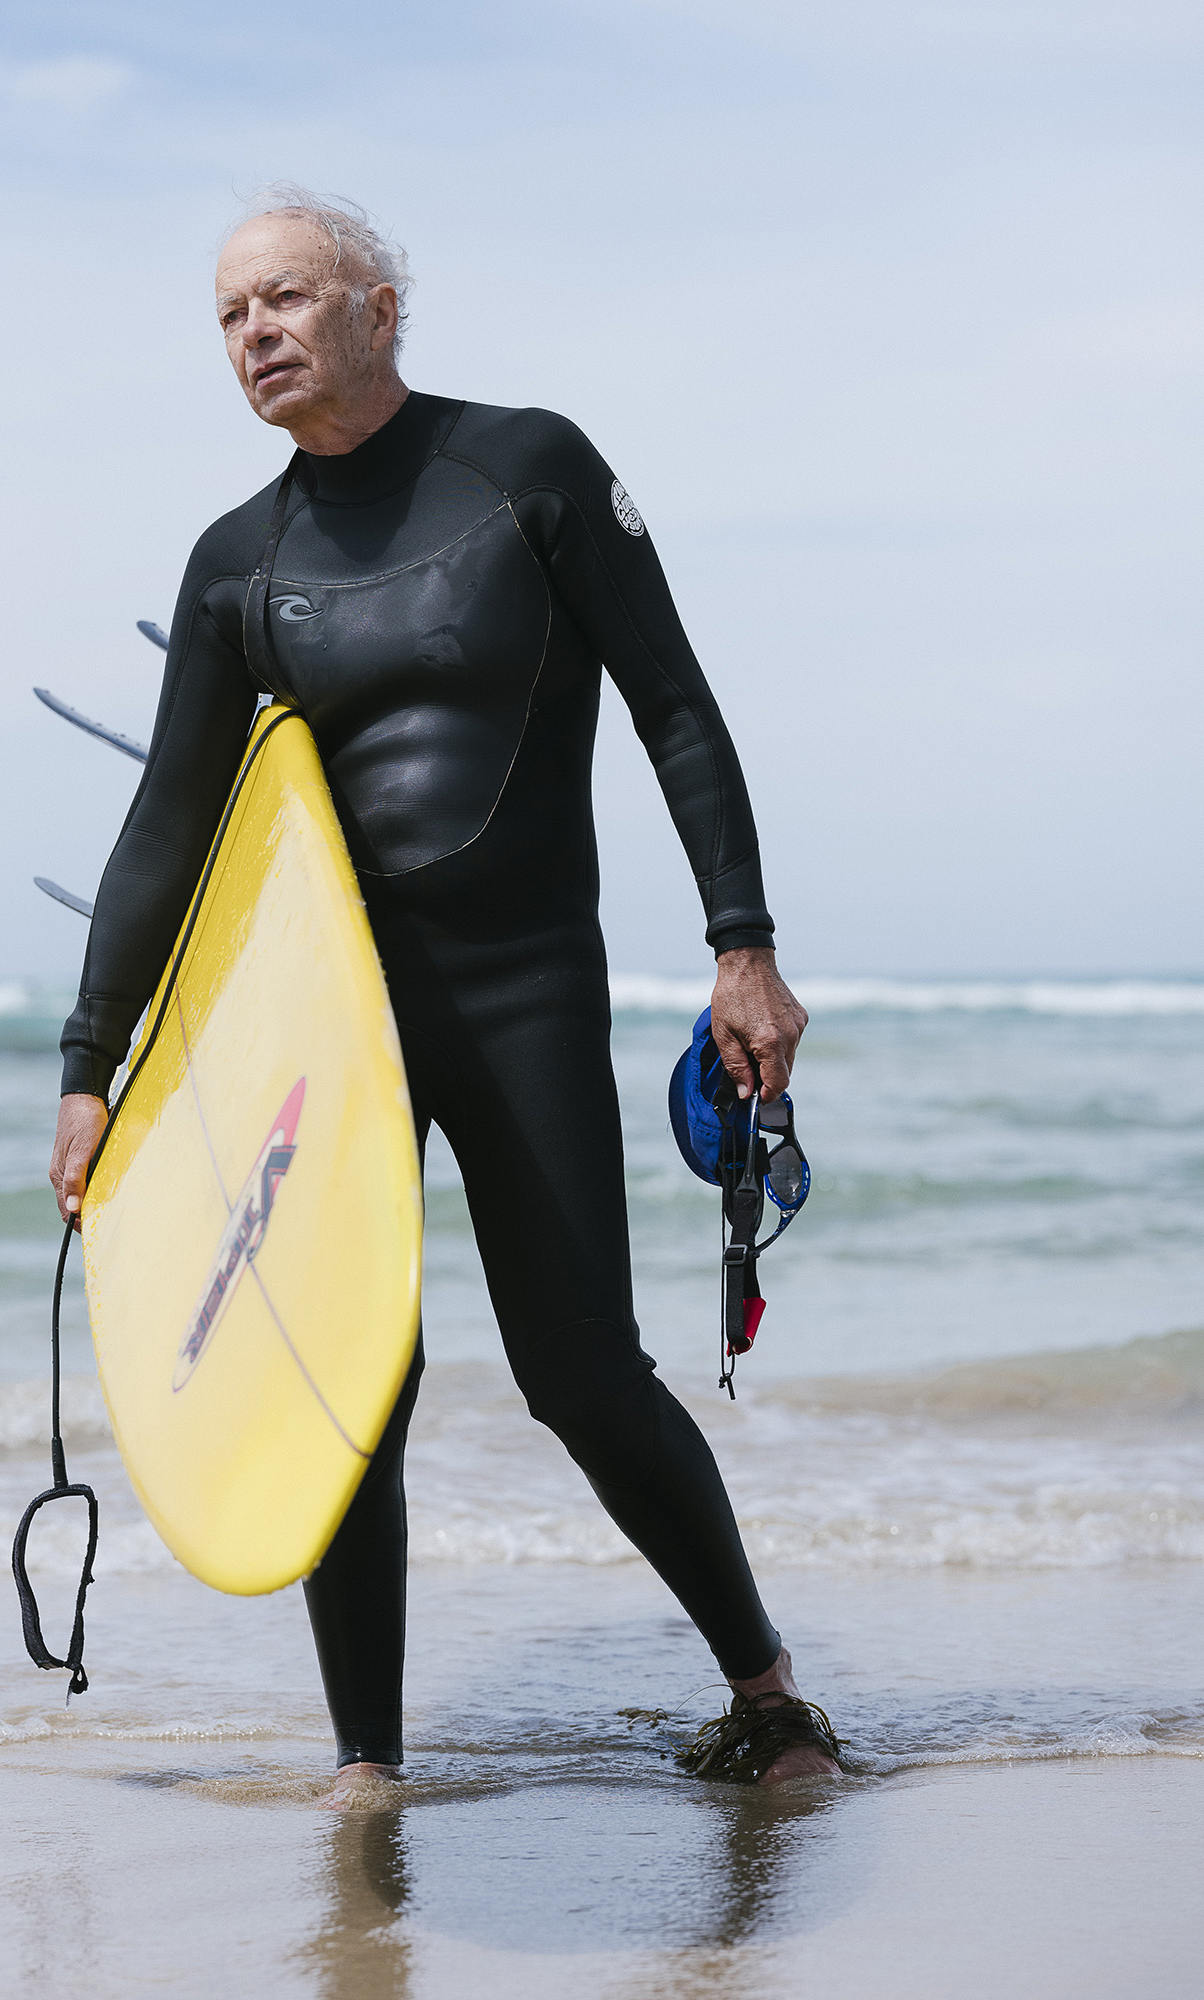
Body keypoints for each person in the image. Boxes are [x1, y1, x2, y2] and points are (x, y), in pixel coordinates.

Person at [49, 187, 841, 1799]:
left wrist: (740, 943)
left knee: (579, 1368)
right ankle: (367, 1769)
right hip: (331, 1031)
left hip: (521, 982)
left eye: (281, 297)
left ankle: (766, 1694)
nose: (252, 332)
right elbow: (167, 829)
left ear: (377, 307)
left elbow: (674, 708)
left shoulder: (530, 469)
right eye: (226, 315)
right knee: (344, 1376)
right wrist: (87, 1063)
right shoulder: (237, 565)